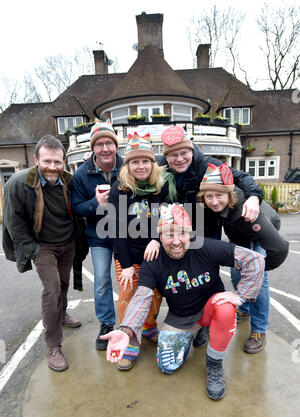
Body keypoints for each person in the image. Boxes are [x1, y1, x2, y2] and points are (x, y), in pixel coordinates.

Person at [101, 204, 265, 401]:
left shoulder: (205, 246)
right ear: (160, 237)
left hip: (210, 309)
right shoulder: (153, 260)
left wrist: (241, 295)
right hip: (181, 316)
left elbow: (255, 260)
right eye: (169, 235)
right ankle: (196, 332)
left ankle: (214, 363)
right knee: (166, 366)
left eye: (181, 234)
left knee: (226, 308)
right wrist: (127, 329)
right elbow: (141, 298)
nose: (176, 241)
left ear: (190, 234)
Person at [2, 135, 81, 372]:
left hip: (67, 243)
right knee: (52, 289)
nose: (52, 167)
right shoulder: (18, 183)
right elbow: (13, 223)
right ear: (36, 159)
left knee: (64, 283)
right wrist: (33, 251)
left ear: (64, 161)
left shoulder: (69, 180)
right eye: (47, 161)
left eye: (58, 162)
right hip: (42, 246)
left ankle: (62, 314)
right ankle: (53, 345)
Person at [197, 163, 289, 353]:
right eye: (209, 196)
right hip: (239, 235)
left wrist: (261, 270)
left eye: (219, 195)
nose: (214, 202)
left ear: (229, 195)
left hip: (260, 232)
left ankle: (259, 330)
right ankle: (244, 310)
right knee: (236, 272)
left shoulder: (246, 213)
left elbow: (280, 248)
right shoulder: (209, 207)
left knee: (258, 278)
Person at [109, 132, 175, 370]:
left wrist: (157, 239)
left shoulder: (161, 187)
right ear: (127, 165)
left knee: (155, 294)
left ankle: (148, 327)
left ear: (152, 163)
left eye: (145, 161)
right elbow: (116, 229)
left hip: (154, 253)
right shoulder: (120, 189)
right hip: (128, 253)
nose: (140, 166)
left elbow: (165, 220)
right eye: (135, 161)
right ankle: (130, 339)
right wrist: (125, 265)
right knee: (128, 296)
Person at [71, 121, 123, 350]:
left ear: (115, 145)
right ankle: (106, 325)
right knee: (101, 280)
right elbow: (75, 207)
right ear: (93, 147)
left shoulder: (127, 166)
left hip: (126, 234)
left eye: (109, 143)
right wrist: (96, 203)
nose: (105, 148)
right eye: (99, 144)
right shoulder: (82, 174)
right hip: (99, 236)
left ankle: (133, 323)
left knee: (130, 280)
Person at [158, 126, 264, 234]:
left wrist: (254, 197)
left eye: (184, 153)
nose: (180, 159)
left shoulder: (207, 165)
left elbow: (241, 177)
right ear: (166, 156)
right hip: (174, 230)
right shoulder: (158, 168)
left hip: (207, 229)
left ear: (191, 151)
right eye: (173, 155)